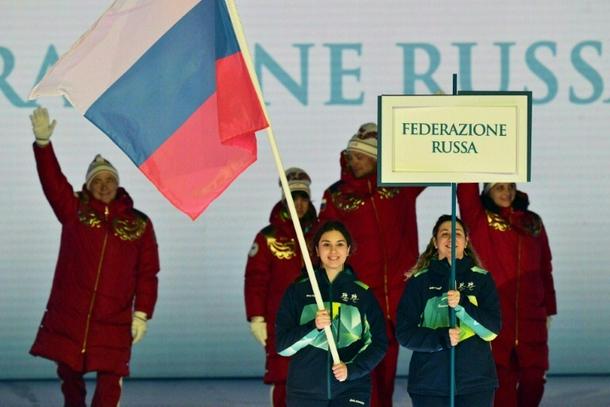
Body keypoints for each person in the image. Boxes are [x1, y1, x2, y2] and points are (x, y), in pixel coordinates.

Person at [28, 107, 160, 407]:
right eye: (97, 181)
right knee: (69, 374)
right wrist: (43, 145)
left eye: (108, 180)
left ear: (118, 184)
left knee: (111, 379)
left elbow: (147, 272)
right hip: (71, 313)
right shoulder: (74, 211)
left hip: (114, 318)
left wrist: (142, 313)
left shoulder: (139, 224)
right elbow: (53, 182)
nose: (103, 186)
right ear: (87, 186)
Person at [317, 122, 424, 407]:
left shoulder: (399, 187)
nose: (353, 161)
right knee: (361, 358)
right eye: (350, 156)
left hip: (399, 293)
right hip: (359, 293)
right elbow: (322, 240)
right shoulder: (336, 196)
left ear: (376, 159)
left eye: (360, 156)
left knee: (388, 361)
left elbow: (429, 160)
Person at [457, 183, 556, 407]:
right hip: (496, 318)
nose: (506, 192)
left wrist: (549, 309)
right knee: (502, 383)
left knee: (534, 380)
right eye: (499, 187)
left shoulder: (533, 222)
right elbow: (466, 192)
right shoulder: (479, 221)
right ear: (488, 191)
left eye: (510, 186)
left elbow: (545, 268)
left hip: (531, 318)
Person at [275, 220, 388, 407]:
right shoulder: (298, 291)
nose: (333, 251)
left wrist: (352, 370)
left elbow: (379, 344)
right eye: (326, 244)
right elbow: (283, 347)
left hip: (352, 389)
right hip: (304, 392)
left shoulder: (363, 294)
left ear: (348, 250)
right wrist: (314, 326)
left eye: (340, 244)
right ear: (317, 250)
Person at [396, 215, 501, 407]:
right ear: (435, 242)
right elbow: (405, 334)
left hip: (476, 384)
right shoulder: (419, 281)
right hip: (429, 385)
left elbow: (491, 330)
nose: (451, 238)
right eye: (445, 234)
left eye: (457, 234)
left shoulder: (482, 279)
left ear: (466, 241)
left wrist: (463, 305)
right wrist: (441, 338)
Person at [244, 167, 318, 407]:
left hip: (318, 319)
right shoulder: (268, 238)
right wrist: (257, 317)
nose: (299, 204)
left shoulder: (321, 234)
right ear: (284, 200)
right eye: (293, 198)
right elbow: (255, 280)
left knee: (316, 380)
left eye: (303, 198)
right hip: (281, 322)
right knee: (284, 378)